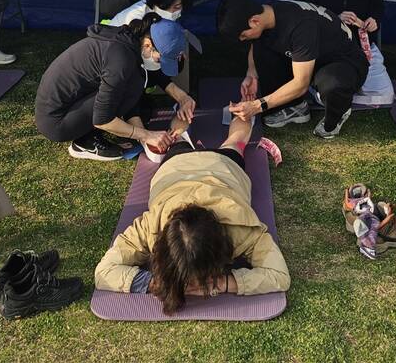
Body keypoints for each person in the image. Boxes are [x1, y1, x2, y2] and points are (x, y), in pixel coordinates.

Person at [94, 113, 290, 314]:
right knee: (208, 139)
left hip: (219, 167)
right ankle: (219, 110)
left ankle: (239, 109)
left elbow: (279, 276)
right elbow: (104, 272)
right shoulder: (151, 226)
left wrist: (222, 283)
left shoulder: (241, 230)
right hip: (182, 166)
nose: (191, 285)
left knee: (232, 142)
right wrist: (155, 283)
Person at [34, 14, 194, 161]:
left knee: (135, 88)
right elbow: (103, 119)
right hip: (56, 123)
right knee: (131, 89)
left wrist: (183, 98)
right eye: (160, 60)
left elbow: (152, 75)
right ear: (148, 45)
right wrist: (146, 136)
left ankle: (93, 133)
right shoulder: (121, 60)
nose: (159, 65)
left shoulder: (128, 41)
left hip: (66, 104)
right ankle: (84, 142)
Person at [216, 0, 367, 139]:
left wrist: (258, 105)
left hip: (343, 62)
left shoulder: (301, 25)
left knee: (331, 83)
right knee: (263, 47)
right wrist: (251, 74)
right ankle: (295, 107)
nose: (243, 39)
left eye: (243, 35)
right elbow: (255, 45)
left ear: (254, 21)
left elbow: (301, 84)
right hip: (311, 56)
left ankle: (339, 112)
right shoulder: (267, 12)